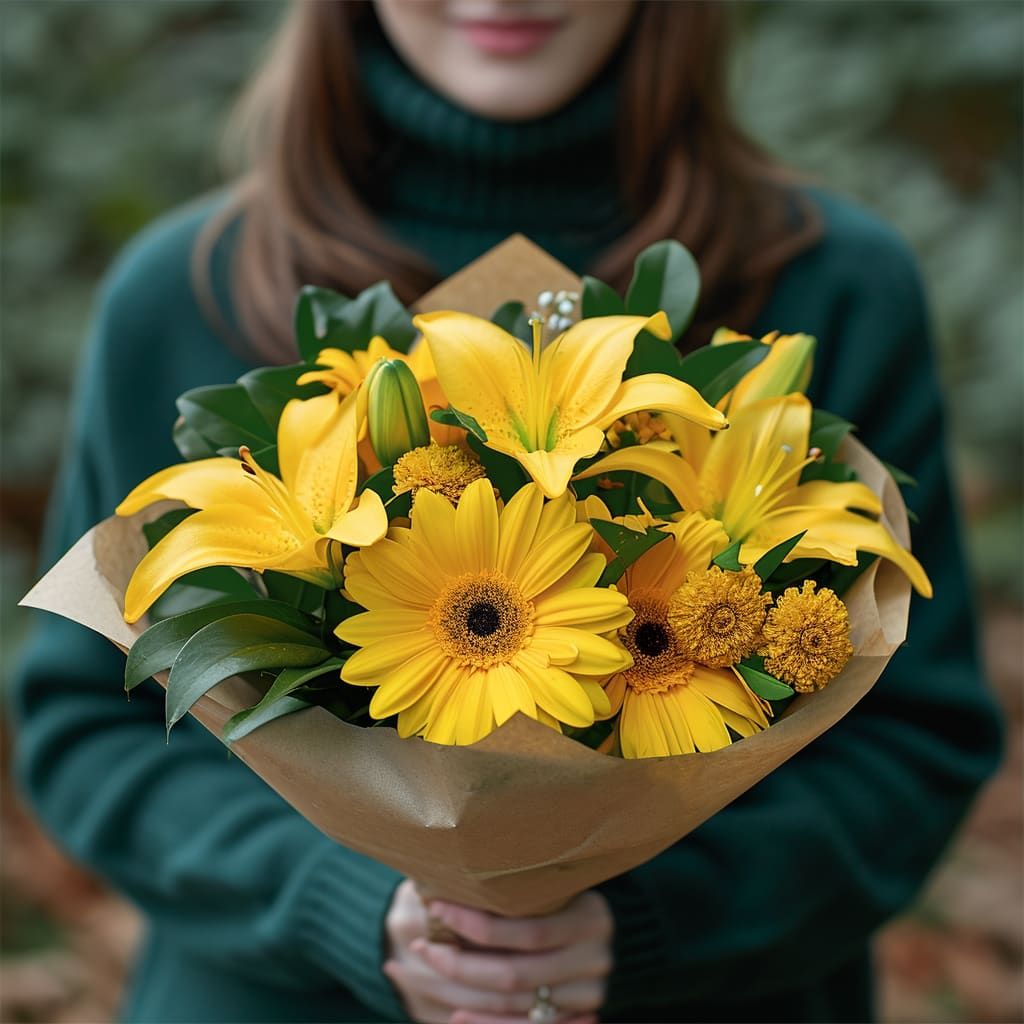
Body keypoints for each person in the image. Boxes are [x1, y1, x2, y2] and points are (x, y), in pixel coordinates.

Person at [10, 2, 1002, 1023]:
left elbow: (917, 741)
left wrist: (652, 920)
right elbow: (86, 730)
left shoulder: (833, 283)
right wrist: (344, 903)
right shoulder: (184, 291)